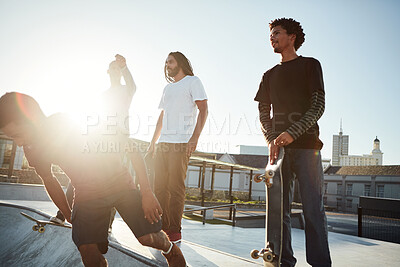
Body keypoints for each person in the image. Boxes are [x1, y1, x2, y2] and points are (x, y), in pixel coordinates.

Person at [0, 92, 186, 267]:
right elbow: (49, 180)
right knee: (87, 250)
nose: (18, 142)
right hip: (86, 193)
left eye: (17, 134)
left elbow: (131, 148)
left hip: (119, 183)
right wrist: (69, 214)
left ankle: (170, 249)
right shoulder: (31, 148)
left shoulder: (70, 124)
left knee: (147, 238)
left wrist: (146, 192)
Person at [254, 18, 332, 267]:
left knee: (313, 210)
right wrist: (270, 139)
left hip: (308, 149)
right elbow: (263, 113)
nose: (272, 37)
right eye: (271, 34)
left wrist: (293, 132)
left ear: (292, 37)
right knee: (279, 212)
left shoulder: (311, 65)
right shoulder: (268, 75)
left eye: (277, 33)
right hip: (280, 152)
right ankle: (283, 261)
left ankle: (320, 263)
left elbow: (318, 106)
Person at [51, 54, 136, 229]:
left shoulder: (125, 91)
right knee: (80, 172)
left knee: (113, 177)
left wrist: (125, 67)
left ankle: (108, 223)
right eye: (113, 69)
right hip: (98, 138)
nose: (115, 72)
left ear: (120, 73)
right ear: (108, 72)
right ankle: (62, 213)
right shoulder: (103, 95)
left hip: (117, 140)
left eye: (118, 70)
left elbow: (132, 85)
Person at [147, 51, 208, 243]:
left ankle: (174, 230)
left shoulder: (193, 81)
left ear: (180, 63)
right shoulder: (167, 88)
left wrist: (194, 138)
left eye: (170, 62)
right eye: (166, 62)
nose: (167, 65)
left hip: (181, 142)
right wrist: (153, 142)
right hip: (163, 143)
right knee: (160, 188)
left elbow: (204, 108)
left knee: (175, 188)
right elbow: (162, 116)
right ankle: (160, 227)